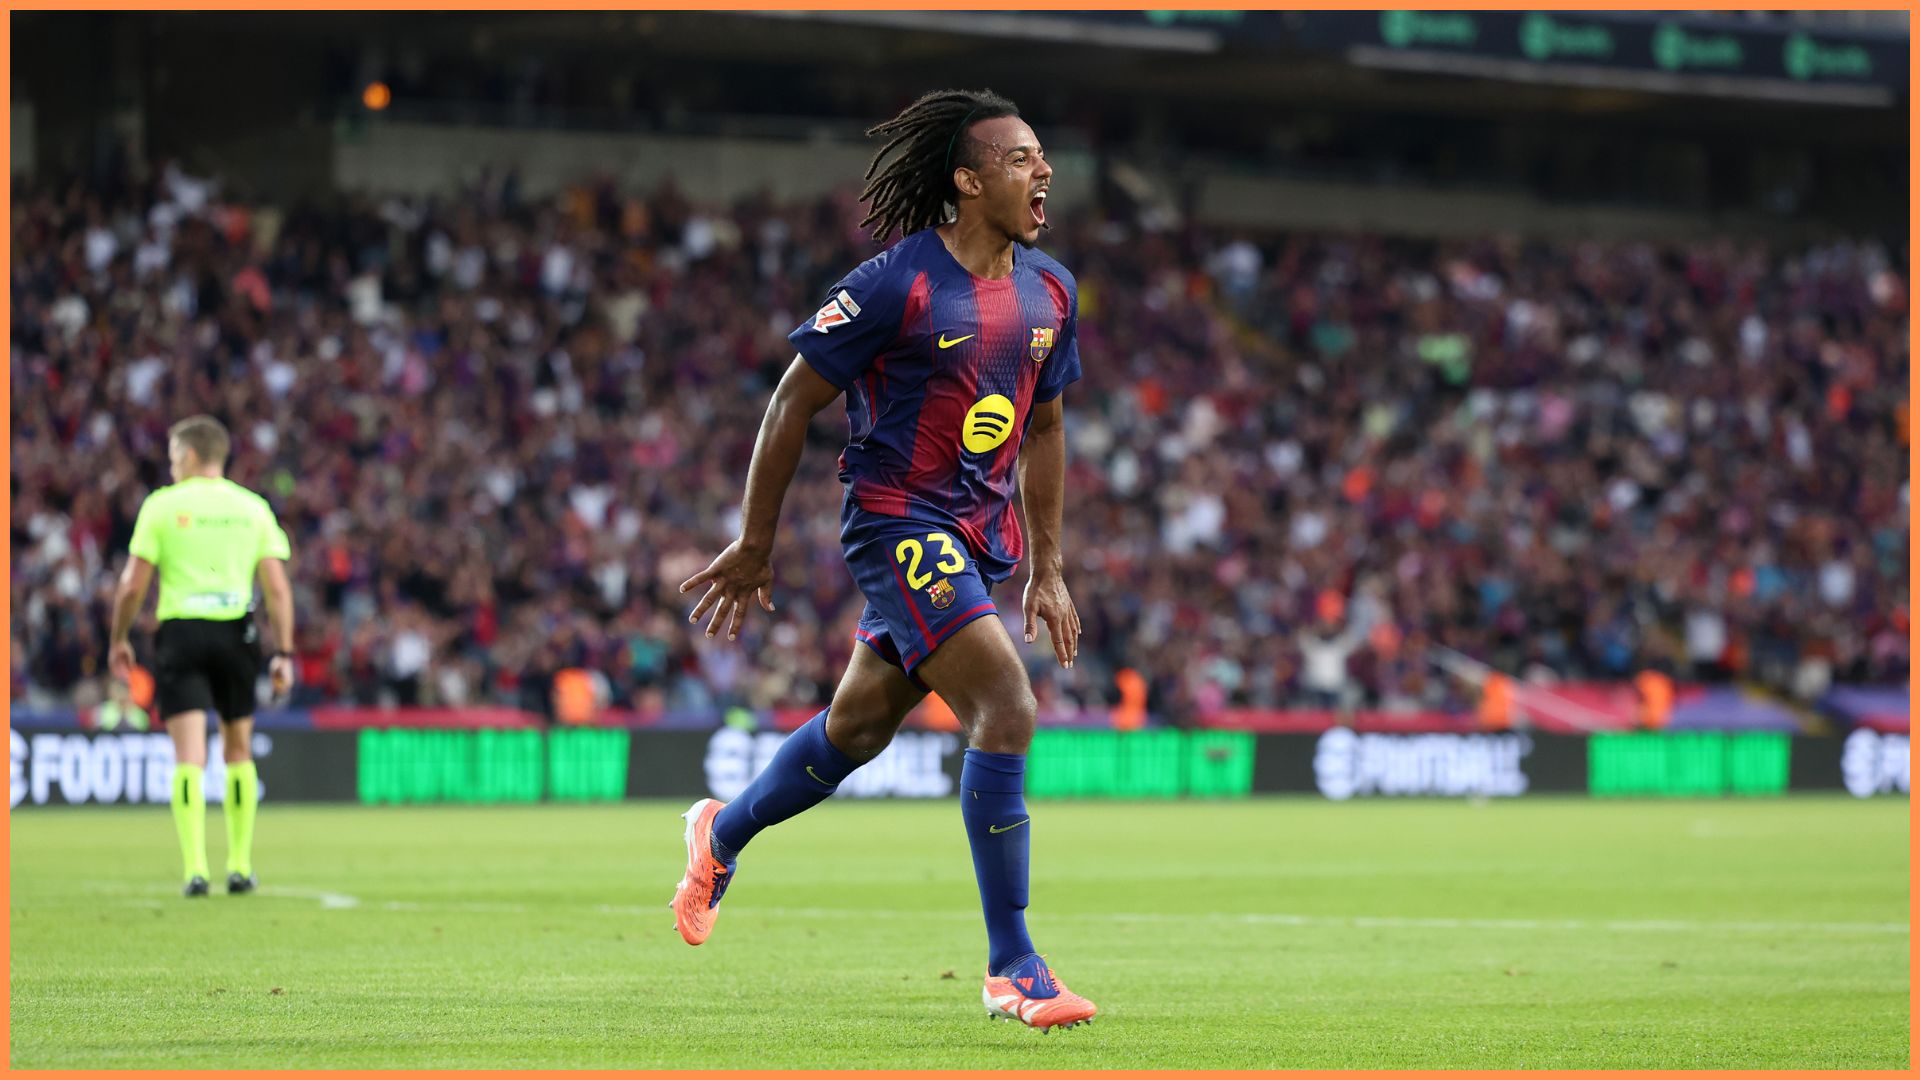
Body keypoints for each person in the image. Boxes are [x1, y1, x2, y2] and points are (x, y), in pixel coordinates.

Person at [669, 89, 1095, 1031]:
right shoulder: (893, 283)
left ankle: (720, 832)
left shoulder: (1051, 291)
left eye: (1042, 154)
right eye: (1022, 157)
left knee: (858, 729)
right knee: (1005, 703)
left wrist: (1050, 566)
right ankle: (1013, 966)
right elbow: (790, 404)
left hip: (979, 536)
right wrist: (755, 542)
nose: (1043, 169)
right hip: (898, 523)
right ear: (969, 178)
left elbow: (1049, 427)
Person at [108, 416, 296, 898]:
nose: (171, 467)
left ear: (190, 455)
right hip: (237, 630)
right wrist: (285, 652)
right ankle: (239, 865)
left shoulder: (163, 506)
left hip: (182, 631)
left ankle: (195, 869)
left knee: (188, 757)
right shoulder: (252, 507)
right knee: (238, 751)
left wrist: (119, 638)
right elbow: (276, 586)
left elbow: (132, 585)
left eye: (173, 456)